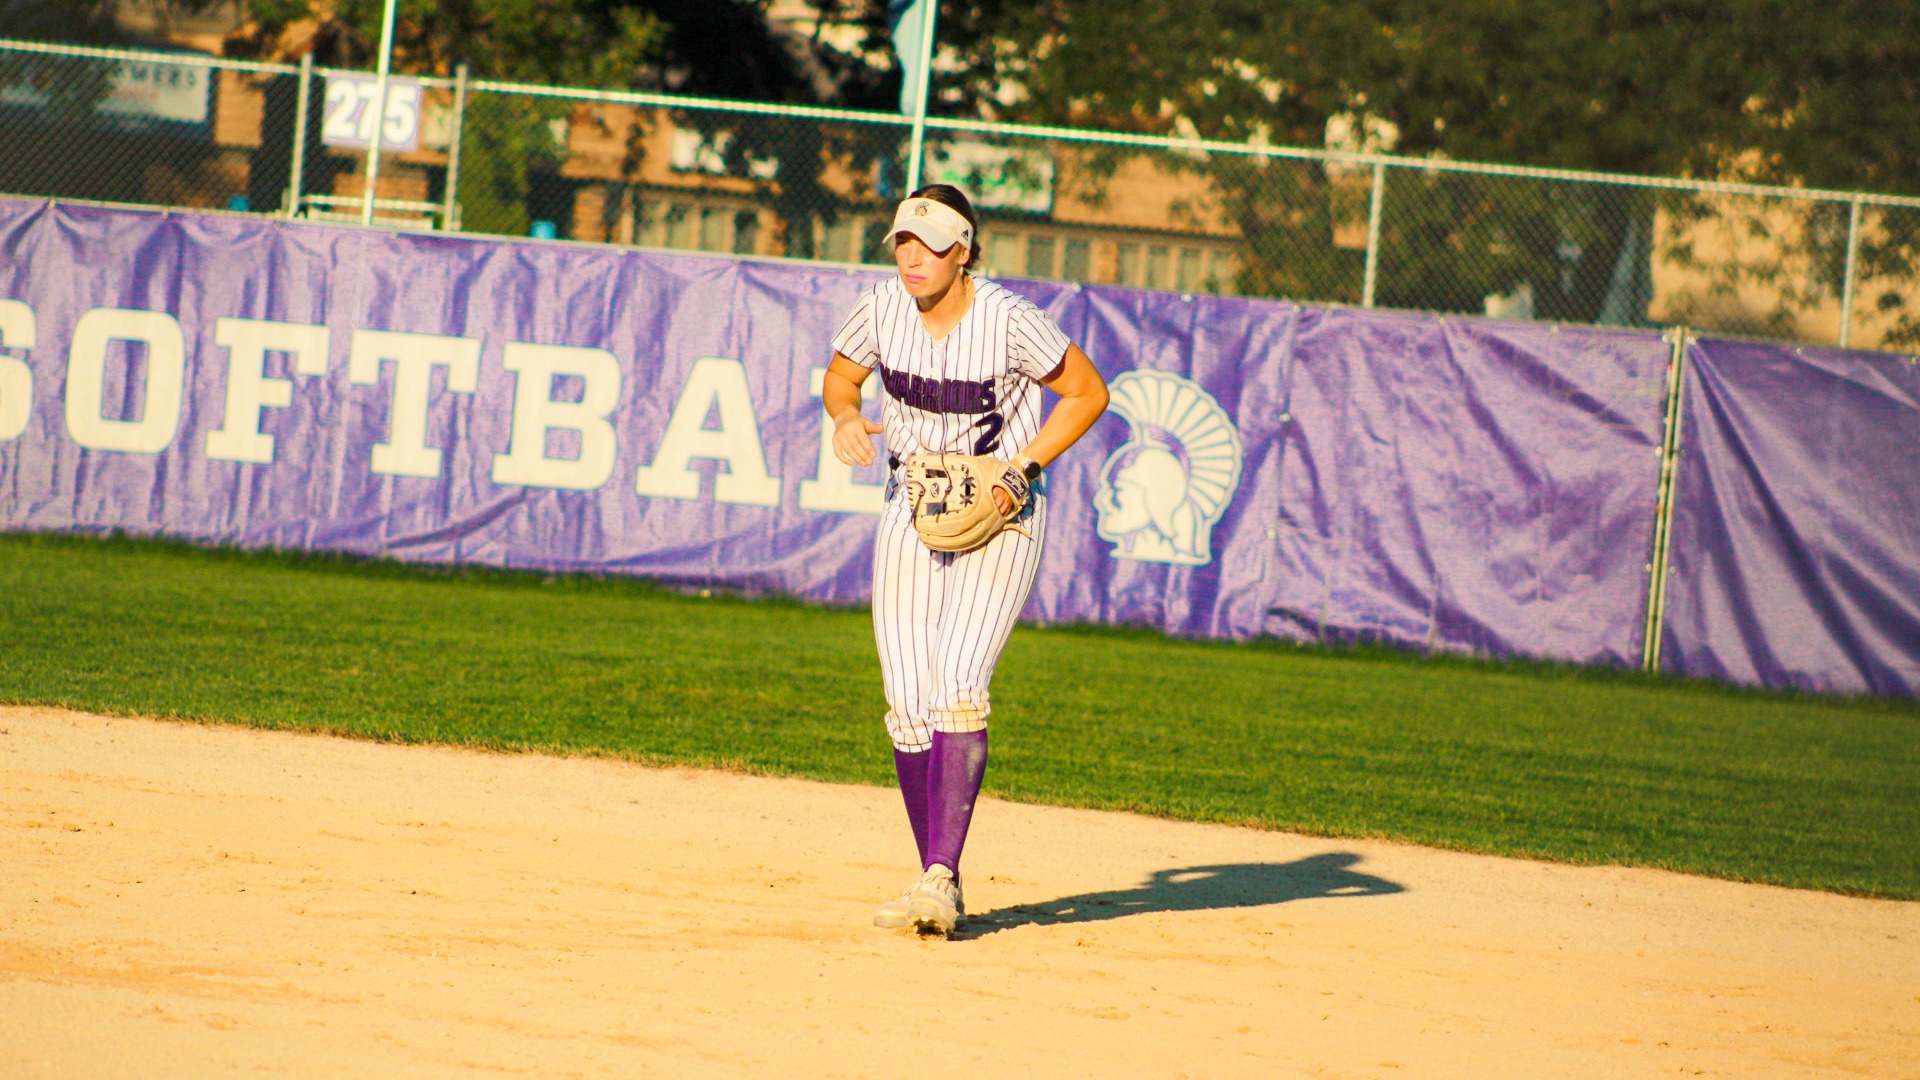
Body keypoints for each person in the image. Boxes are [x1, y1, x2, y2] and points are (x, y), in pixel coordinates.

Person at [823, 184, 1110, 936]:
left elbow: (1087, 393)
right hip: (912, 503)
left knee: (957, 686)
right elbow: (841, 377)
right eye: (903, 242)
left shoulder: (1008, 319)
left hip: (1000, 512)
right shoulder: (881, 308)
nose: (913, 257)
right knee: (906, 702)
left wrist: (1024, 469)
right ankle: (935, 876)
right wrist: (845, 413)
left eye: (931, 244)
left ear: (966, 251)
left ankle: (941, 877)